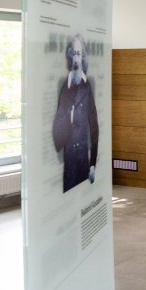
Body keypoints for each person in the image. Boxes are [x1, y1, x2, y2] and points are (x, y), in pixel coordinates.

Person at [52, 34, 99, 192]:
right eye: (73, 53)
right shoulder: (64, 88)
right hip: (70, 160)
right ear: (69, 55)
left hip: (83, 160)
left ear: (82, 56)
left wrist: (92, 164)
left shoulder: (87, 86)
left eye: (79, 53)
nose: (76, 58)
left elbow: (94, 127)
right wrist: (69, 117)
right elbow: (58, 135)